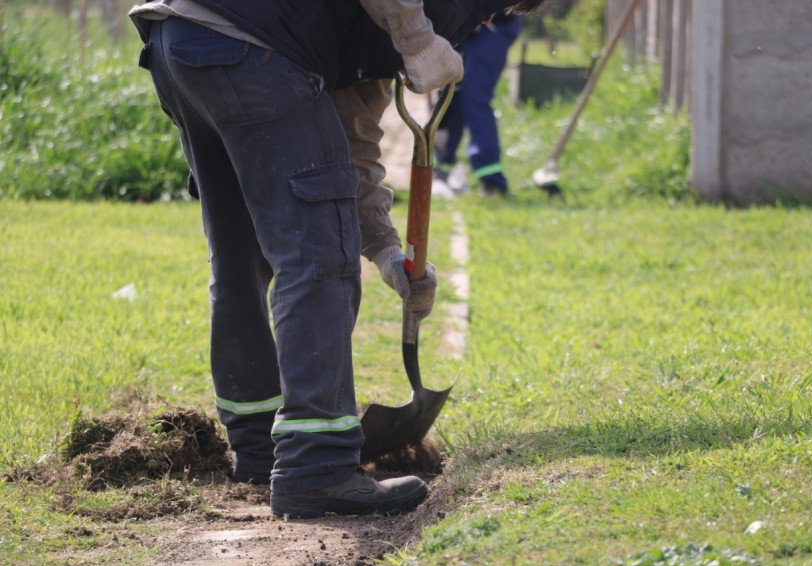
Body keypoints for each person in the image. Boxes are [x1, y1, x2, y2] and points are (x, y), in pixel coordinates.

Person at [129, 0, 545, 519]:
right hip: (252, 45)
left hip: (184, 38)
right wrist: (418, 38)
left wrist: (388, 252)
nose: (484, 24)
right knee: (319, 256)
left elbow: (352, 140)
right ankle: (316, 466)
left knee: (242, 257)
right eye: (494, 10)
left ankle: (260, 446)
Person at [434, 13, 523, 197]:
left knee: (474, 97)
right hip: (465, 24)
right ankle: (442, 166)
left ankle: (491, 178)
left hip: (493, 24)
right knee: (451, 94)